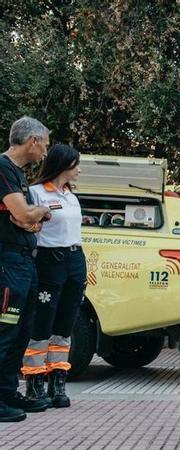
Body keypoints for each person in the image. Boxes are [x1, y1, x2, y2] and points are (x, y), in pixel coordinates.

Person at [19, 144, 87, 410]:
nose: (79, 169)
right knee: (42, 321)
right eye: (76, 164)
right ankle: (35, 382)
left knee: (65, 322)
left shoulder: (71, 196)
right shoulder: (36, 193)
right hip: (49, 260)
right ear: (64, 165)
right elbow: (28, 225)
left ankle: (58, 382)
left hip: (74, 260)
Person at [0, 116, 52, 422]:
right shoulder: (3, 168)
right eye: (44, 143)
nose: (46, 150)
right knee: (5, 329)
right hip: (7, 261)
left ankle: (7, 393)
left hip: (23, 260)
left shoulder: (18, 176)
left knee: (20, 332)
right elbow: (23, 214)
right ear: (32, 140)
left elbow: (29, 223)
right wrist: (37, 212)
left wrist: (32, 215)